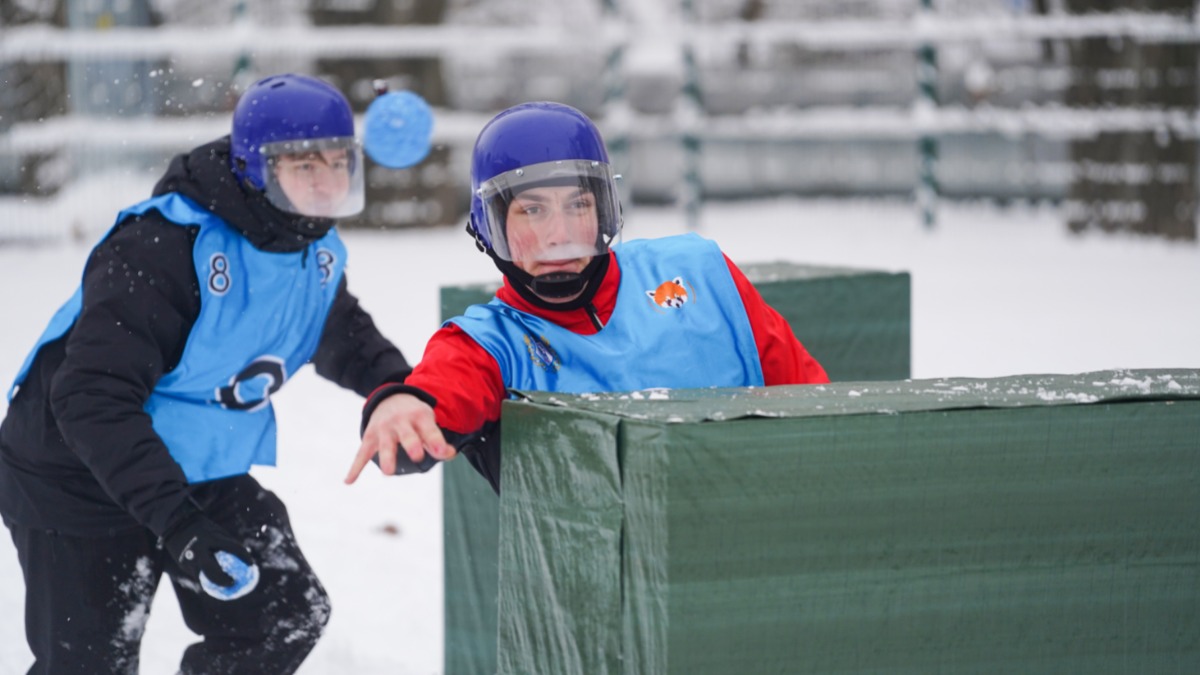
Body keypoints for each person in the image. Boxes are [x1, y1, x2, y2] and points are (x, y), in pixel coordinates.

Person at [0, 73, 414, 674]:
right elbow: (90, 399)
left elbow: (337, 330)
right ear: (256, 170)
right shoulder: (162, 248)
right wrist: (181, 525)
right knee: (90, 662)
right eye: (305, 166)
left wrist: (396, 391)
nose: (327, 184)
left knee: (282, 614)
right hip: (74, 471)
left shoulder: (309, 247)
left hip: (194, 462)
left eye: (339, 163)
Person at [346, 101, 829, 493]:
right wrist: (404, 403)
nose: (559, 235)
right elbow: (443, 389)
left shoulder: (697, 270)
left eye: (578, 205)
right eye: (532, 211)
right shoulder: (488, 343)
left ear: (605, 213)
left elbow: (813, 405)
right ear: (489, 230)